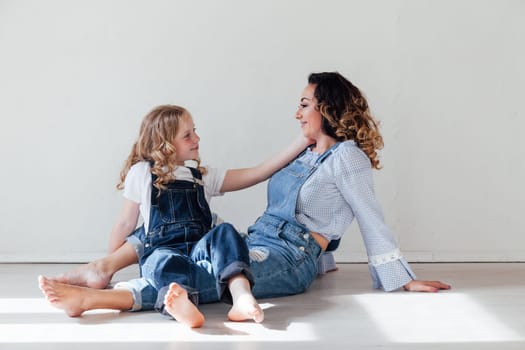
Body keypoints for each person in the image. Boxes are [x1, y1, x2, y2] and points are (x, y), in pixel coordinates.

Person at [41, 72, 450, 320]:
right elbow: (319, 206)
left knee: (202, 277)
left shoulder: (348, 158)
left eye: (304, 104)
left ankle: (100, 299)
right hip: (259, 241)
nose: (297, 112)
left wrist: (401, 280)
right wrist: (327, 262)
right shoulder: (310, 154)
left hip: (289, 256)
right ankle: (104, 268)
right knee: (177, 247)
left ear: (325, 107)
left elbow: (367, 214)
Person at [38, 104, 311, 327]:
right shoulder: (142, 173)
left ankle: (241, 296)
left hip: (200, 251)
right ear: (165, 143)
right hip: (163, 249)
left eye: (195, 132)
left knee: (226, 233)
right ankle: (183, 307)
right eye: (188, 135)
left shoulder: (202, 176)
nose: (197, 139)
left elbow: (259, 172)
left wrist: (302, 141)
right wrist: (110, 265)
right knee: (163, 262)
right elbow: (125, 222)